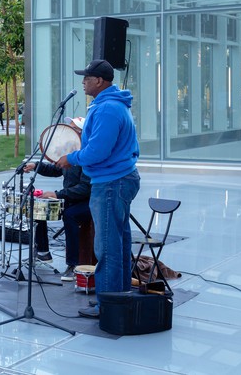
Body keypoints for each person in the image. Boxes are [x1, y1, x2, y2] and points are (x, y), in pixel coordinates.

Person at [56, 59, 141, 318]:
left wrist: (71, 158)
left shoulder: (107, 110)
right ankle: (118, 297)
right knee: (119, 241)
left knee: (107, 246)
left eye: (87, 78)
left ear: (100, 81)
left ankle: (108, 304)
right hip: (118, 179)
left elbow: (98, 152)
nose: (83, 82)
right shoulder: (111, 106)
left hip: (111, 183)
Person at [23, 116, 92, 281]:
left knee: (70, 215)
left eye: (73, 128)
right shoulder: (69, 151)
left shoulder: (87, 155)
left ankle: (73, 264)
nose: (68, 130)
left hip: (88, 201)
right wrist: (36, 166)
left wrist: (57, 194)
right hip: (70, 197)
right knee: (38, 205)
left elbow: (85, 189)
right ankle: (43, 253)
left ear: (81, 133)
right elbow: (56, 169)